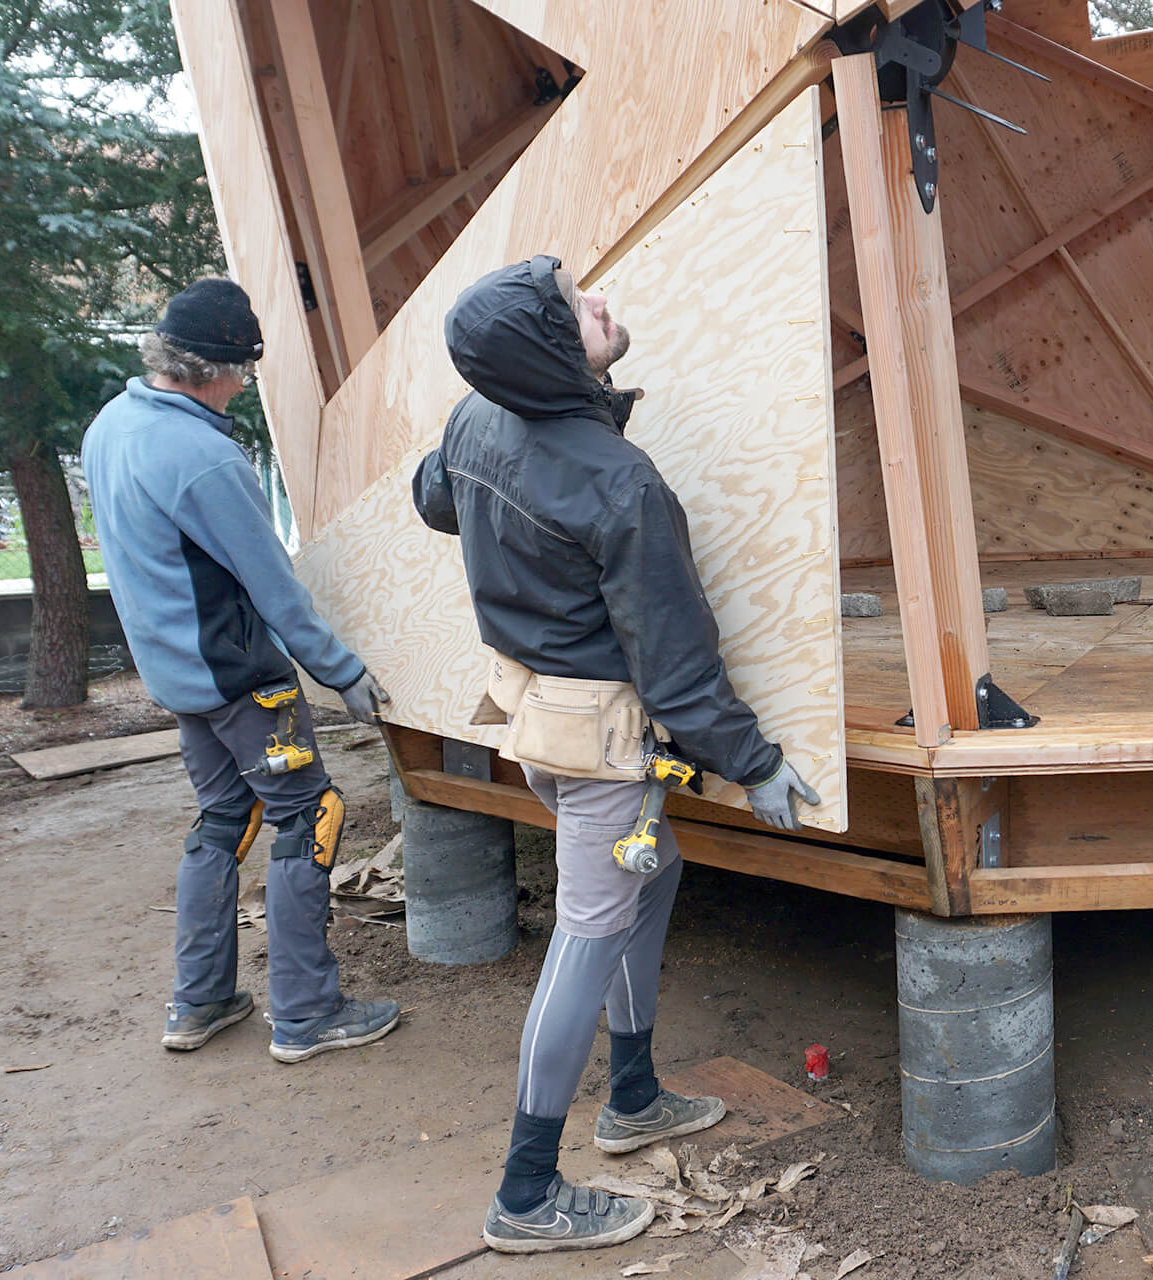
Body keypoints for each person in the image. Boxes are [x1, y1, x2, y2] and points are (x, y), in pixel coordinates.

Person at [412, 255, 821, 1254]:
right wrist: (755, 763)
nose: (597, 301)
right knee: (585, 937)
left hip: (541, 716)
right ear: (552, 351)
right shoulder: (621, 484)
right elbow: (677, 666)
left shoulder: (477, 418)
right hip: (600, 743)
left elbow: (434, 499)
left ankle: (633, 1093)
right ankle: (526, 1191)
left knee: (655, 872)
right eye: (573, 306)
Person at [84, 277, 401, 1064]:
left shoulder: (111, 425)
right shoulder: (204, 457)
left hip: (178, 676)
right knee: (308, 816)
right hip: (241, 681)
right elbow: (275, 588)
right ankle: (306, 1016)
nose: (247, 388)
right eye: (247, 374)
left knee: (224, 820)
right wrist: (342, 672)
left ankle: (199, 1002)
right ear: (220, 370)